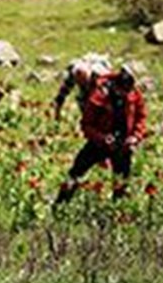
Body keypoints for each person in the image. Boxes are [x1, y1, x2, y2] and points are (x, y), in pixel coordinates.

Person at [55, 68, 147, 203]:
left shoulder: (133, 93)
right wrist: (102, 138)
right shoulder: (99, 95)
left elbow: (141, 116)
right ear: (115, 86)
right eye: (122, 92)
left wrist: (136, 136)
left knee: (121, 182)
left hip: (123, 144)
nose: (125, 95)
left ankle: (118, 213)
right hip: (99, 142)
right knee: (76, 172)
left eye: (127, 92)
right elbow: (86, 124)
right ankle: (60, 205)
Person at [54, 54, 112, 121]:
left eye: (84, 80)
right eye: (79, 82)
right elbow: (62, 94)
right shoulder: (72, 75)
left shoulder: (100, 74)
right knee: (81, 99)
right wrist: (57, 112)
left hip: (98, 86)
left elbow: (110, 87)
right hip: (89, 88)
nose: (82, 83)